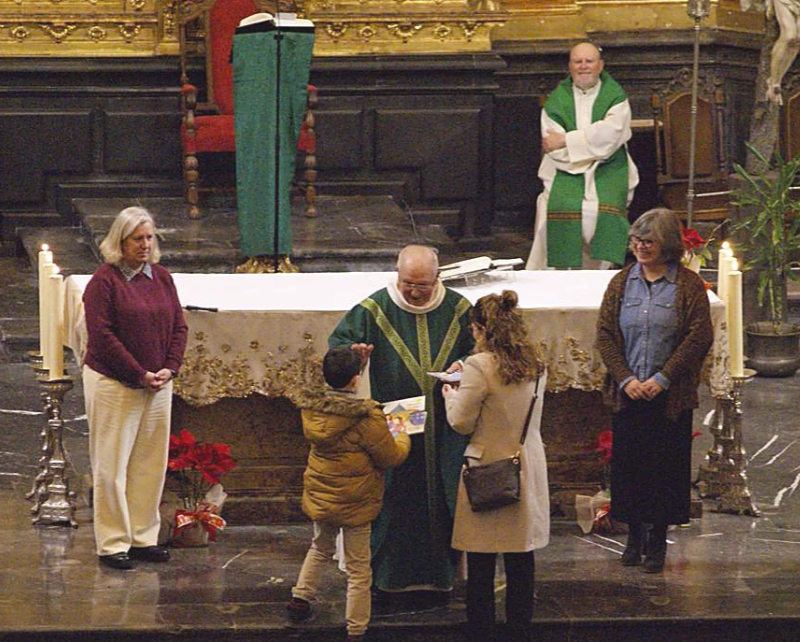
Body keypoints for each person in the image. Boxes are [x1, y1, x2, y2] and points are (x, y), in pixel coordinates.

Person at [329, 244, 474, 597]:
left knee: (442, 493)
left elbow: (482, 348)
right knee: (397, 494)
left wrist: (466, 363)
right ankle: (391, 574)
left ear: (438, 278)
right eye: (407, 282)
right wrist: (355, 356)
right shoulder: (375, 307)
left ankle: (442, 573)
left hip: (445, 421)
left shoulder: (459, 309)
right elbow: (337, 349)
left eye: (422, 285)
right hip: (398, 420)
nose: (413, 290)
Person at [595, 208, 713, 573]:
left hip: (668, 397)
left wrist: (662, 379)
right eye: (636, 241)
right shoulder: (621, 282)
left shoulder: (688, 285)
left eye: (649, 241)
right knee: (630, 469)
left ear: (667, 245)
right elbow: (605, 334)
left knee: (664, 470)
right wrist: (626, 379)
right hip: (628, 393)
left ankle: (658, 542)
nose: (640, 247)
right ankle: (633, 538)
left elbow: (698, 336)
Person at [82, 206, 188, 570]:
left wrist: (169, 369)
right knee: (112, 466)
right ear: (120, 242)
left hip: (158, 385)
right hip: (116, 383)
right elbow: (102, 336)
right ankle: (113, 543)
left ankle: (142, 536)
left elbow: (179, 327)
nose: (145, 245)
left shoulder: (160, 277)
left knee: (149, 464)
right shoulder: (104, 282)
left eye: (149, 238)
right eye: (136, 239)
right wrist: (139, 372)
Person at [441, 290, 549, 642]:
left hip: (487, 467)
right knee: (521, 557)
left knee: (482, 560)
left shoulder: (479, 365)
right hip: (526, 462)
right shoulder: (536, 362)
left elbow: (461, 421)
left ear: (480, 329)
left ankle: (482, 631)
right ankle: (520, 630)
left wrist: (450, 393)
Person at [286, 347, 411, 641]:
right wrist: (403, 431)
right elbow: (391, 457)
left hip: (322, 493)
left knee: (320, 546)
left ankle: (300, 597)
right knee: (358, 567)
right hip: (356, 500)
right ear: (357, 380)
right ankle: (356, 628)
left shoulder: (313, 409)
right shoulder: (367, 418)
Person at [526, 42, 639, 270]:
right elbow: (553, 147)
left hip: (608, 170)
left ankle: (599, 276)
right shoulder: (556, 102)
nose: (583, 67)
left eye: (589, 61)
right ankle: (556, 276)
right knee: (552, 209)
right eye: (578, 62)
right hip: (566, 172)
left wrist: (567, 140)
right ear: (570, 66)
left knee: (602, 211)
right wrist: (590, 147)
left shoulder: (615, 97)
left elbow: (611, 136)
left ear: (600, 66)